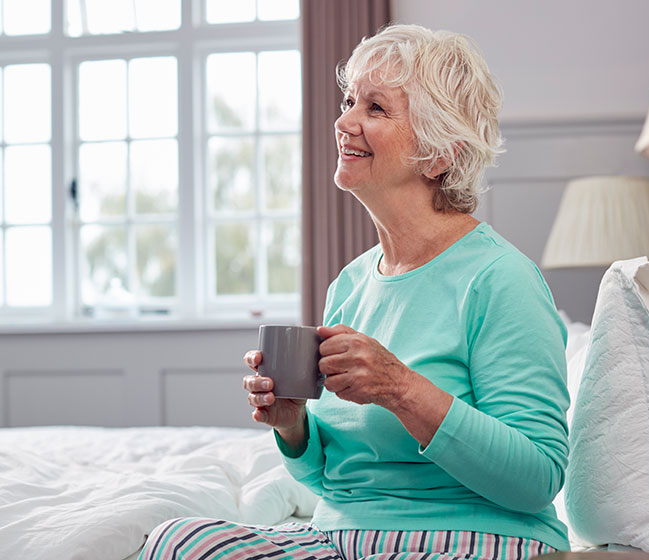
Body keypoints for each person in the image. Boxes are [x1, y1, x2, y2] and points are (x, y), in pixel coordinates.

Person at [141, 24, 570, 560]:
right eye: (349, 102)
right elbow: (334, 480)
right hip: (344, 537)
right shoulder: (349, 284)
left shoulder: (500, 278)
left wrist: (402, 389)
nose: (344, 122)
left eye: (376, 108)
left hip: (469, 538)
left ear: (439, 155)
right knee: (177, 541)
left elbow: (538, 476)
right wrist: (293, 426)